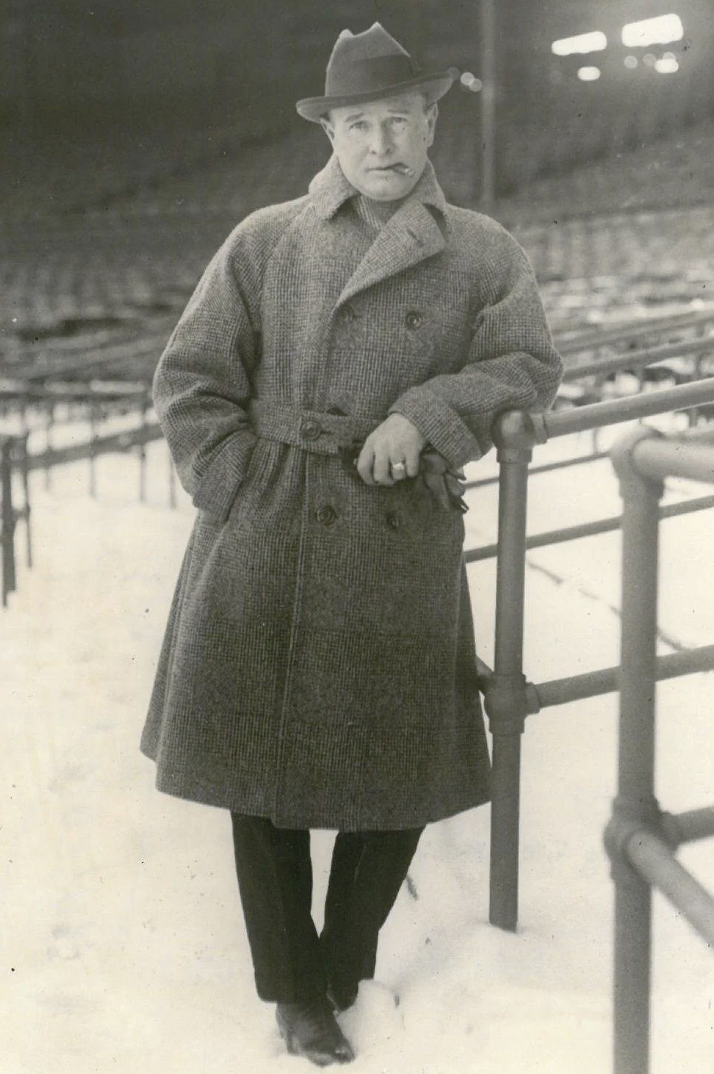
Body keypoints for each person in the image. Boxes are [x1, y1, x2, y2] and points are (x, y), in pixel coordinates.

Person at [141, 22, 563, 1067]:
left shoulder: (483, 250)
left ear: (430, 123)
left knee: (402, 767)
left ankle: (341, 961)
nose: (381, 144)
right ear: (332, 132)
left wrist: (428, 412)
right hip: (267, 529)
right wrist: (240, 487)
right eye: (358, 124)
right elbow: (190, 380)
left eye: (398, 120)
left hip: (397, 539)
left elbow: (526, 367)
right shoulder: (265, 238)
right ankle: (295, 992)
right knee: (260, 774)